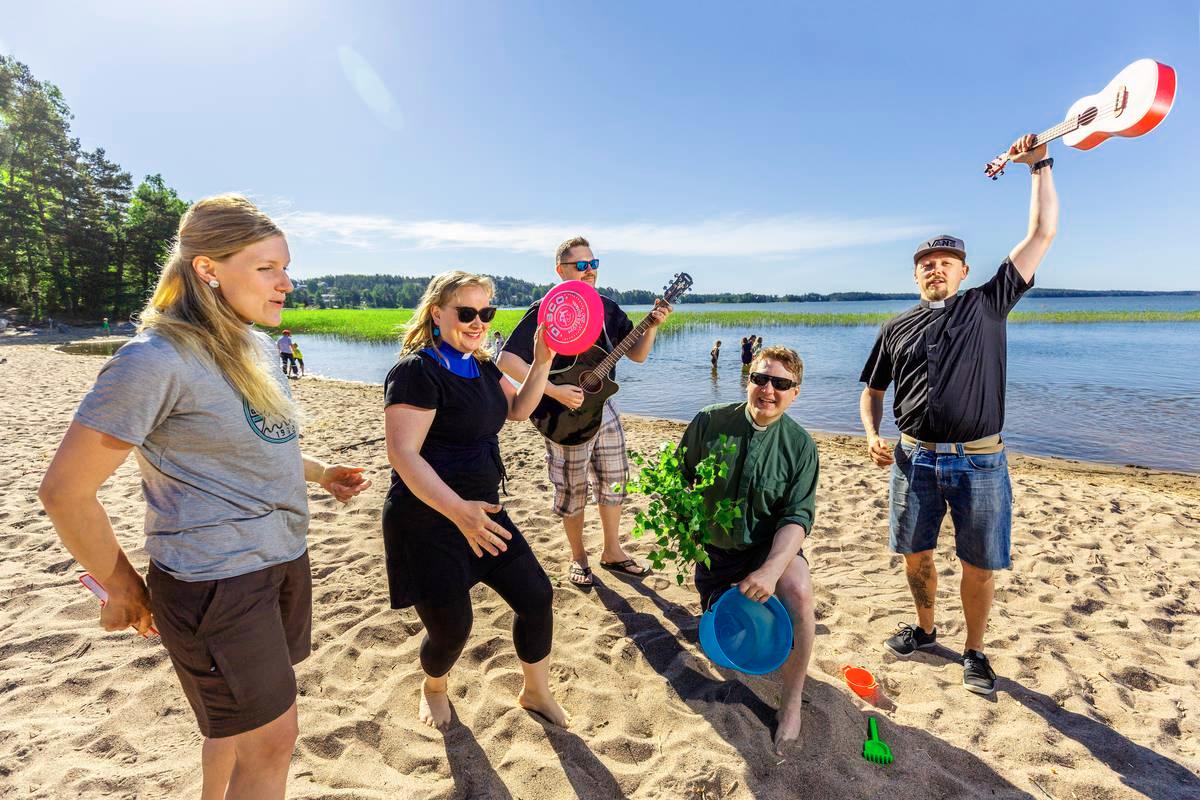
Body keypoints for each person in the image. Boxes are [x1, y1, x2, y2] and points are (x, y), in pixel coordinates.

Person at [37, 194, 370, 800]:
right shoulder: (154, 360)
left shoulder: (252, 346)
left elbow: (253, 448)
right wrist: (120, 584)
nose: (287, 283)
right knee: (271, 743)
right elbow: (65, 491)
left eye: (286, 266)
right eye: (267, 267)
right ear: (207, 269)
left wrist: (319, 473)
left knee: (235, 727)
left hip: (280, 562)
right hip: (218, 582)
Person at [858, 134, 1057, 695]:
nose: (935, 269)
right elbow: (872, 390)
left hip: (981, 463)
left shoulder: (988, 304)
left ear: (964, 271)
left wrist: (1038, 165)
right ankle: (924, 630)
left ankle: (974, 650)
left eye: (945, 262)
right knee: (915, 555)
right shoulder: (895, 327)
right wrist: (873, 434)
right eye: (926, 263)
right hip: (913, 461)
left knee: (979, 563)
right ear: (915, 275)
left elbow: (1042, 233)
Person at [383, 270, 569, 731]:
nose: (478, 322)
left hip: (482, 512)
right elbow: (403, 455)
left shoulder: (483, 366)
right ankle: (434, 686)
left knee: (535, 596)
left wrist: (542, 361)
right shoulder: (417, 372)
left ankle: (535, 691)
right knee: (451, 630)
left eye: (486, 312)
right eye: (466, 312)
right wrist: (457, 511)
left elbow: (519, 409)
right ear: (437, 314)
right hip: (427, 521)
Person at [499, 236, 671, 587]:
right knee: (572, 490)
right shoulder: (544, 310)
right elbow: (508, 360)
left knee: (614, 480)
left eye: (594, 263)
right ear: (560, 270)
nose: (590, 270)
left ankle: (612, 550)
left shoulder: (607, 308)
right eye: (581, 265)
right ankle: (579, 557)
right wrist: (555, 391)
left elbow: (637, 354)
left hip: (603, 407)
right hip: (562, 416)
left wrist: (651, 326)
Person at [679, 345, 818, 754]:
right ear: (749, 380)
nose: (768, 389)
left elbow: (797, 519)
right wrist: (684, 531)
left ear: (795, 391)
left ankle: (791, 701)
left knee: (798, 590)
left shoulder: (800, 446)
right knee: (726, 637)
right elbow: (679, 479)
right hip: (714, 555)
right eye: (760, 378)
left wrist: (771, 570)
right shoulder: (709, 421)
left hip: (766, 552)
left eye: (780, 383)